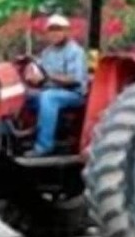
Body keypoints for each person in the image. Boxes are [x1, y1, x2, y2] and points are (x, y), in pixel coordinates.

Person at [24, 14, 88, 157]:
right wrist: (33, 76)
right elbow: (40, 74)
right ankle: (23, 137)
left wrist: (47, 77)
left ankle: (44, 146)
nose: (55, 33)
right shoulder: (47, 52)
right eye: (51, 30)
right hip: (51, 89)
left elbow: (75, 79)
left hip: (73, 94)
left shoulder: (75, 52)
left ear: (66, 31)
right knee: (24, 97)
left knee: (48, 98)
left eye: (58, 29)